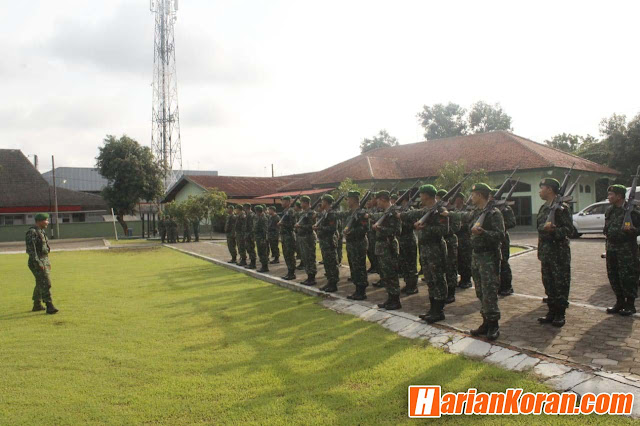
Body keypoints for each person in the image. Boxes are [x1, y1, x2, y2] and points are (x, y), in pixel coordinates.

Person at [404, 185, 448, 323]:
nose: (419, 197)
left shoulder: (440, 211)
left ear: (427, 195)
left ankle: (439, 311)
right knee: (429, 280)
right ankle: (432, 309)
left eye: (421, 194)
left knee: (438, 279)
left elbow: (444, 230)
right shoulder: (425, 210)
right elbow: (412, 217)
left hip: (435, 249)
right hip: (424, 249)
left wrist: (426, 228)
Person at [468, 183, 505, 340]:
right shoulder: (477, 212)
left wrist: (483, 233)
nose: (471, 197)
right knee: (480, 291)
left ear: (480, 195)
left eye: (473, 194)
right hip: (476, 256)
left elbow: (500, 235)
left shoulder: (494, 213)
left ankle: (493, 325)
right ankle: (485, 322)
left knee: (489, 291)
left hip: (489, 257)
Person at [537, 178, 573, 328]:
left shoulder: (562, 208)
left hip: (558, 252)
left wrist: (554, 230)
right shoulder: (543, 208)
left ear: (550, 190)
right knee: (549, 283)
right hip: (546, 252)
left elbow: (568, 230)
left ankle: (560, 313)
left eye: (542, 188)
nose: (540, 191)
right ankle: (551, 311)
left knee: (560, 283)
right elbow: (538, 226)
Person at [604, 184, 640, 316]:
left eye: (610, 195)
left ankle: (630, 305)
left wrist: (632, 230)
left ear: (619, 196)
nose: (608, 197)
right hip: (611, 247)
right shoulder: (610, 210)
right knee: (613, 275)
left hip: (626, 249)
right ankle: (619, 302)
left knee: (628, 276)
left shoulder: (632, 210)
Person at [371, 190, 402, 310]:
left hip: (389, 246)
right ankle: (390, 298)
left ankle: (395, 300)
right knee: (385, 275)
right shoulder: (385, 212)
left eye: (378, 200)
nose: (376, 202)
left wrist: (380, 228)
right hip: (382, 246)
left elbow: (397, 231)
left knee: (391, 274)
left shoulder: (393, 212)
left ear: (383, 199)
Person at [26, 213, 58, 314]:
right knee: (46, 283)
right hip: (37, 262)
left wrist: (47, 262)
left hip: (44, 260)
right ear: (39, 221)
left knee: (40, 283)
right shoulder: (32, 232)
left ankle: (37, 305)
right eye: (46, 220)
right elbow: (31, 250)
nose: (47, 222)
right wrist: (38, 263)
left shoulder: (41, 231)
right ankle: (49, 305)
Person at [340, 190, 370, 300]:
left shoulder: (362, 213)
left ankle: (362, 291)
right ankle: (357, 289)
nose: (347, 201)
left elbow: (365, 229)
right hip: (351, 243)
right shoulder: (351, 213)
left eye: (349, 199)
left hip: (359, 243)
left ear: (353, 199)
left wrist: (351, 232)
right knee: (354, 267)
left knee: (360, 267)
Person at [438, 189, 461, 304]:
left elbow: (457, 227)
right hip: (440, 241)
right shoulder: (438, 210)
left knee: (451, 268)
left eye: (439, 198)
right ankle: (444, 291)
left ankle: (451, 293)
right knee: (441, 267)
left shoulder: (452, 211)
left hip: (450, 241)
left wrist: (444, 231)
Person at [314, 194, 340, 292]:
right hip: (324, 242)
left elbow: (333, 228)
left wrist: (319, 228)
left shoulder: (332, 213)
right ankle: (329, 282)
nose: (321, 203)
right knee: (327, 263)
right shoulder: (326, 213)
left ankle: (333, 283)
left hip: (329, 241)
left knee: (332, 263)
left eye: (323, 201)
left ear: (326, 202)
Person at [397, 191, 419, 295]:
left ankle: (413, 286)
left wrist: (401, 220)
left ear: (404, 198)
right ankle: (407, 284)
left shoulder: (411, 211)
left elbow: (413, 225)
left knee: (411, 264)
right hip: (402, 240)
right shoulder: (401, 210)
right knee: (404, 264)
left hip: (409, 239)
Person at [496, 191, 516, 296]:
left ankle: (507, 287)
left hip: (503, 238)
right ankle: (499, 285)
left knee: (504, 262)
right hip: (494, 239)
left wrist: (500, 224)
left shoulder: (505, 209)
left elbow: (512, 222)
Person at [295, 196, 317, 285]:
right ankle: (308, 276)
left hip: (308, 238)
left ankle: (312, 278)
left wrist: (300, 227)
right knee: (305, 258)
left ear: (306, 203)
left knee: (310, 257)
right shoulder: (302, 213)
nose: (301, 204)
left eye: (302, 202)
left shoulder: (312, 213)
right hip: (302, 237)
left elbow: (312, 226)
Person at [453, 193, 473, 289]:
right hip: (457, 238)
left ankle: (467, 280)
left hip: (465, 239)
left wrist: (461, 226)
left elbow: (471, 222)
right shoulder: (455, 210)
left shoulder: (468, 209)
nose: (455, 201)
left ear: (461, 199)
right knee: (459, 260)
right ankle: (462, 279)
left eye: (456, 199)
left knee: (466, 260)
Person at [278, 196, 297, 280]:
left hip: (289, 235)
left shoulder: (291, 211)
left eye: (283, 201)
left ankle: (292, 273)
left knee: (290, 254)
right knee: (286, 254)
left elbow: (292, 224)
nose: (282, 203)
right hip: (284, 236)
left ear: (288, 202)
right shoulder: (285, 211)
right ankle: (289, 271)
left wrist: (282, 224)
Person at [366, 194, 380, 275]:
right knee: (370, 251)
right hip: (369, 234)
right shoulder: (369, 210)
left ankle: (376, 267)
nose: (370, 201)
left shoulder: (377, 210)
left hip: (374, 234)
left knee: (374, 252)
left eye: (372, 199)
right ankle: (373, 266)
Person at [254, 205, 270, 272]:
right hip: (259, 237)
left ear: (258, 211)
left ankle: (265, 267)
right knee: (260, 252)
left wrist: (264, 239)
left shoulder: (263, 218)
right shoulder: (259, 217)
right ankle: (263, 266)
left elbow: (265, 229)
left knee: (263, 253)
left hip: (262, 238)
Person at [244, 204, 257, 269]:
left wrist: (252, 235)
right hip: (248, 234)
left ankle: (253, 263)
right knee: (249, 248)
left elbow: (253, 226)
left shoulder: (251, 215)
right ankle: (252, 262)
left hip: (250, 235)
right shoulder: (248, 215)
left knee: (251, 248)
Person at [294, 201, 305, 270]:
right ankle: (302, 262)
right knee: (300, 250)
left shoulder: (301, 214)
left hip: (304, 235)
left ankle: (303, 263)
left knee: (303, 251)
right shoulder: (300, 214)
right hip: (299, 233)